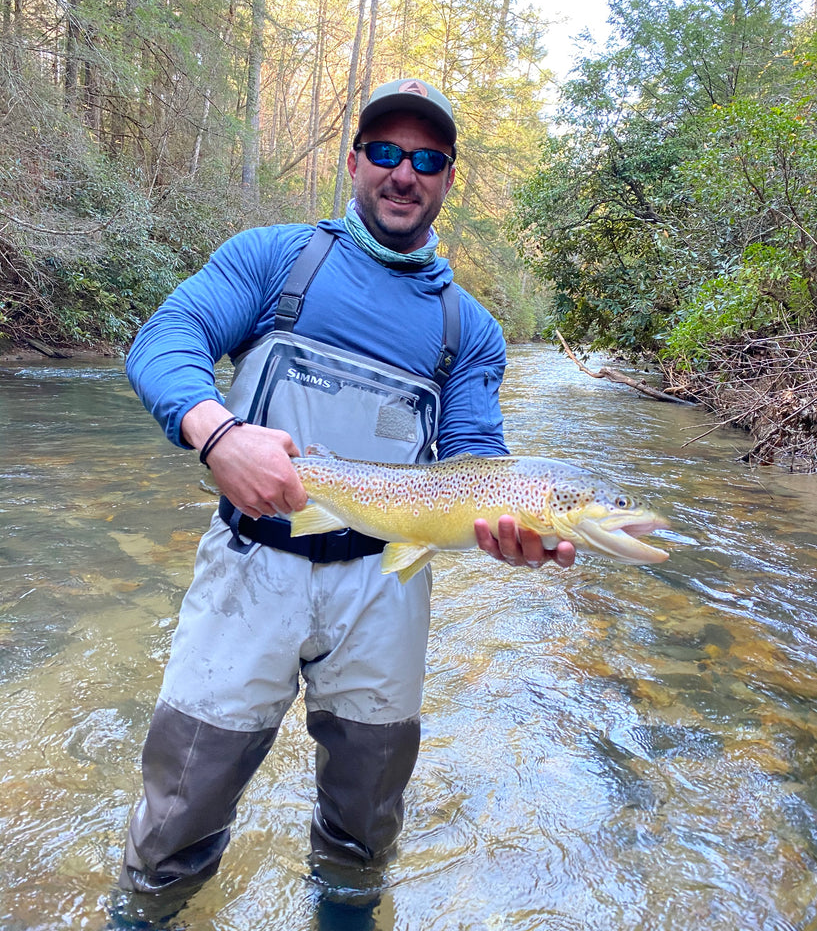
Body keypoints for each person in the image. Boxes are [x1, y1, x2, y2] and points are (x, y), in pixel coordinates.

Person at [114, 77, 575, 926]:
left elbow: (473, 455)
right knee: (183, 804)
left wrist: (506, 522)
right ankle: (145, 911)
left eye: (427, 159)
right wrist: (215, 433)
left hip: (385, 589)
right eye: (388, 154)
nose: (405, 174)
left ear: (446, 179)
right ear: (356, 161)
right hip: (250, 568)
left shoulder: (465, 328)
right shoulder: (273, 257)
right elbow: (166, 339)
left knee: (365, 824)